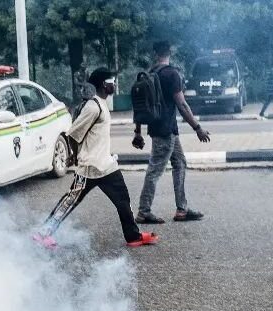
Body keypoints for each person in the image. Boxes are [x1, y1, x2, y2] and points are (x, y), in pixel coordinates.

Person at [33, 69, 159, 250]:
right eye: (111, 81)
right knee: (70, 200)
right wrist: (75, 158)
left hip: (106, 165)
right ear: (103, 84)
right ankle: (43, 234)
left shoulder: (101, 103)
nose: (114, 84)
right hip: (90, 167)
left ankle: (133, 236)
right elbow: (73, 135)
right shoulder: (93, 107)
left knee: (123, 199)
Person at [133, 41, 211, 225]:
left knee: (180, 162)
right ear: (170, 52)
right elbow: (182, 104)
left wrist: (138, 132)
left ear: (155, 54)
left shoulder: (149, 74)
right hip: (165, 131)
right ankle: (144, 211)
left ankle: (182, 209)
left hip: (161, 129)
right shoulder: (172, 74)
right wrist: (197, 128)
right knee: (154, 170)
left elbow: (139, 106)